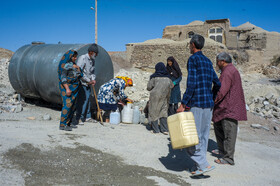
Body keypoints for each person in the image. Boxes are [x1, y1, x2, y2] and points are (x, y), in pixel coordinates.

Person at [177, 34, 221, 176]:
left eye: (190, 44)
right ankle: (198, 166)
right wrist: (212, 97)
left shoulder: (193, 59)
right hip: (208, 105)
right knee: (203, 136)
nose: (189, 47)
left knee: (191, 138)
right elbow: (217, 83)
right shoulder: (208, 61)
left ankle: (203, 164)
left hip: (196, 104)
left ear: (193, 45)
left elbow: (191, 84)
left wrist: (183, 103)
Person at [212, 52, 247, 165]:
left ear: (222, 61)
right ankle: (222, 150)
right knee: (220, 128)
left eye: (218, 61)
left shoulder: (228, 72)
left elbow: (222, 90)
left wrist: (213, 100)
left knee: (229, 132)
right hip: (225, 107)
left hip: (228, 107)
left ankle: (228, 158)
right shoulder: (230, 70)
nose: (217, 64)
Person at [58, 50, 83, 131]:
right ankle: (62, 124)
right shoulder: (66, 66)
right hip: (68, 88)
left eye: (76, 57)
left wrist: (78, 69)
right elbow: (63, 78)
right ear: (70, 57)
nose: (75, 58)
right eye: (74, 57)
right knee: (67, 105)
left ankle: (68, 123)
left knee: (73, 106)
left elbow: (80, 76)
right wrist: (67, 89)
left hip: (75, 89)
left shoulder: (74, 65)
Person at [147, 62, 174, 135]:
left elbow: (149, 87)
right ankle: (164, 129)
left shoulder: (154, 77)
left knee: (154, 111)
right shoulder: (168, 78)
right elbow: (172, 86)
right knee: (163, 112)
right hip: (165, 97)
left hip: (155, 97)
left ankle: (156, 130)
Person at [75, 44, 98, 125]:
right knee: (82, 101)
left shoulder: (93, 60)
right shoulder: (83, 58)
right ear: (91, 52)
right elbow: (79, 72)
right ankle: (79, 118)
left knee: (88, 99)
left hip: (88, 83)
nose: (96, 55)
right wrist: (88, 80)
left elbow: (92, 72)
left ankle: (87, 117)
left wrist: (93, 79)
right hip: (82, 83)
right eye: (96, 53)